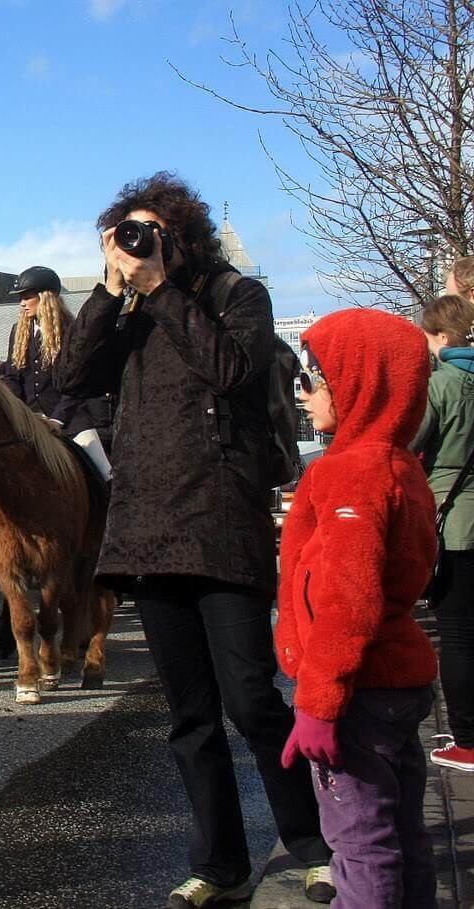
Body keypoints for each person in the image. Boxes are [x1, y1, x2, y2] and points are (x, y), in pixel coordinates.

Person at [56, 172, 331, 907]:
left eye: (147, 233)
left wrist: (164, 290)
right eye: (126, 234)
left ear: (182, 236)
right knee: (189, 715)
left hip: (219, 524)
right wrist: (112, 290)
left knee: (252, 701)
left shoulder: (236, 294)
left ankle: (314, 843)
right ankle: (221, 864)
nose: (137, 247)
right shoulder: (130, 306)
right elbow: (70, 373)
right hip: (147, 529)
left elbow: (234, 370)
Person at [280, 308, 439, 907]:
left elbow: (347, 599)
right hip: (397, 678)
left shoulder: (351, 473)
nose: (305, 394)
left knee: (359, 842)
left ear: (356, 388)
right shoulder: (400, 465)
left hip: (355, 692)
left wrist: (319, 703)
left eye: (317, 379)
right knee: (402, 831)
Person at [412, 290, 474, 773]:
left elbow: (413, 441)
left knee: (457, 634)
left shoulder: (441, 385)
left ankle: (468, 738)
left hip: (456, 520)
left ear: (439, 336)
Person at [1, 265, 111, 480]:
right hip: (29, 419)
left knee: (105, 472)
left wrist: (57, 419)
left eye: (27, 296)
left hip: (70, 419)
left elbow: (80, 382)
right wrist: (20, 411)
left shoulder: (73, 329)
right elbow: (12, 377)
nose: (22, 303)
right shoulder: (18, 331)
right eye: (20, 298)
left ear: (46, 297)